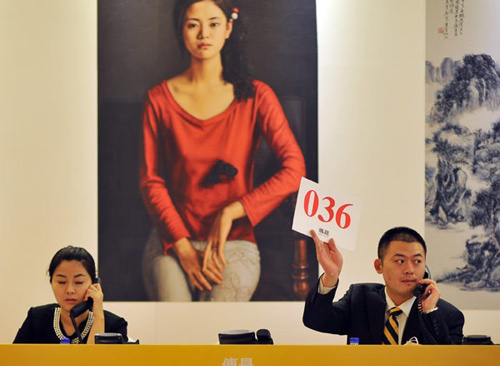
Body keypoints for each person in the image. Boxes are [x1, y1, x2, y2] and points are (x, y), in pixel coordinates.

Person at [140, 0, 305, 301]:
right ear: (181, 29)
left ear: (229, 27)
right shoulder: (158, 99)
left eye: (214, 23)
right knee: (175, 333)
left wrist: (231, 212)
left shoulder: (257, 96)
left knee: (215, 331)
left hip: (236, 241)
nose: (204, 33)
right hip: (173, 241)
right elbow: (151, 180)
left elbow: (294, 168)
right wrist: (183, 247)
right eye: (193, 24)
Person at [303, 227, 465, 344]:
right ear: (379, 266)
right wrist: (331, 276)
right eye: (400, 261)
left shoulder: (447, 315)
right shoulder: (359, 298)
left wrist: (429, 312)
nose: (409, 270)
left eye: (417, 261)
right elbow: (315, 320)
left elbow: (449, 361)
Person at [14, 246, 128, 344]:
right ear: (51, 282)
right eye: (61, 282)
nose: (69, 290)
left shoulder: (114, 325)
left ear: (93, 284)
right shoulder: (36, 318)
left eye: (78, 282)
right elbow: (12, 360)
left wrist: (98, 316)